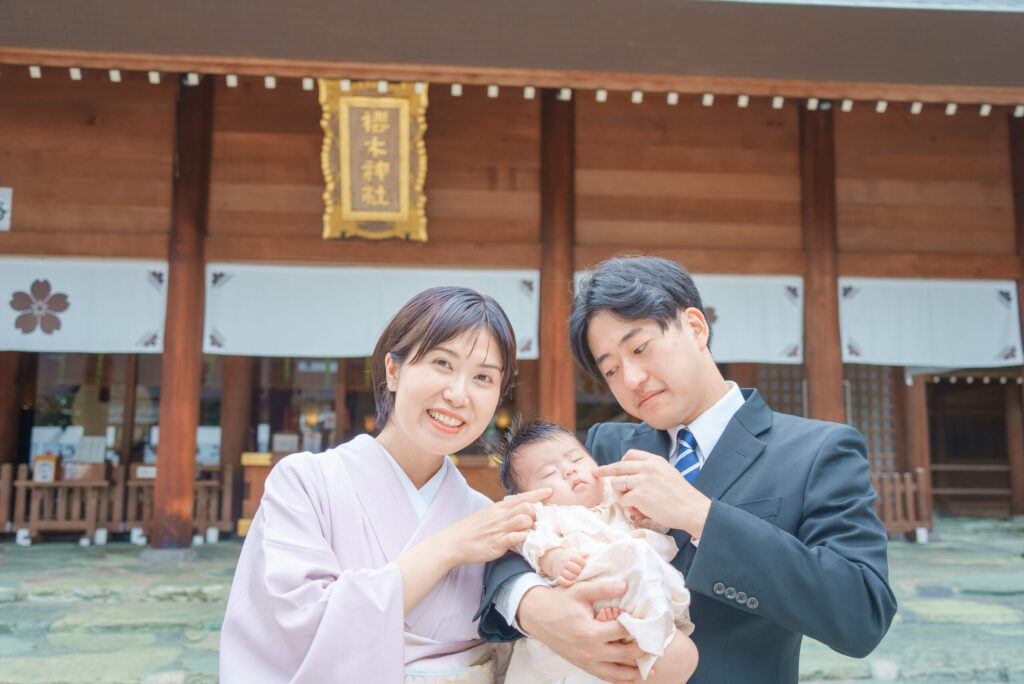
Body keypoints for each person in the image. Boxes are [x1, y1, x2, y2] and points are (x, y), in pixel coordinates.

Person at [477, 256, 898, 683]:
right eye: (611, 370)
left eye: (639, 348)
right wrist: (531, 604)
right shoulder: (605, 448)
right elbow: (512, 531)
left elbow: (861, 613)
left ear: (695, 327)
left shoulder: (817, 452)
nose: (633, 379)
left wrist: (701, 516)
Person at [220, 286, 550, 683]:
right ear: (393, 371)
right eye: (442, 363)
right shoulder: (305, 483)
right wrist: (447, 548)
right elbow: (298, 629)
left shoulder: (484, 517)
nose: (458, 394)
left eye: (483, 377)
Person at [495, 421, 697, 684]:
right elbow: (530, 543)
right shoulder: (548, 516)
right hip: (578, 606)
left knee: (681, 655)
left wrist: (644, 514)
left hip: (636, 599)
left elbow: (657, 529)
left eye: (577, 458)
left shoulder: (618, 497)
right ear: (531, 496)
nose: (569, 471)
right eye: (549, 474)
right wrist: (552, 558)